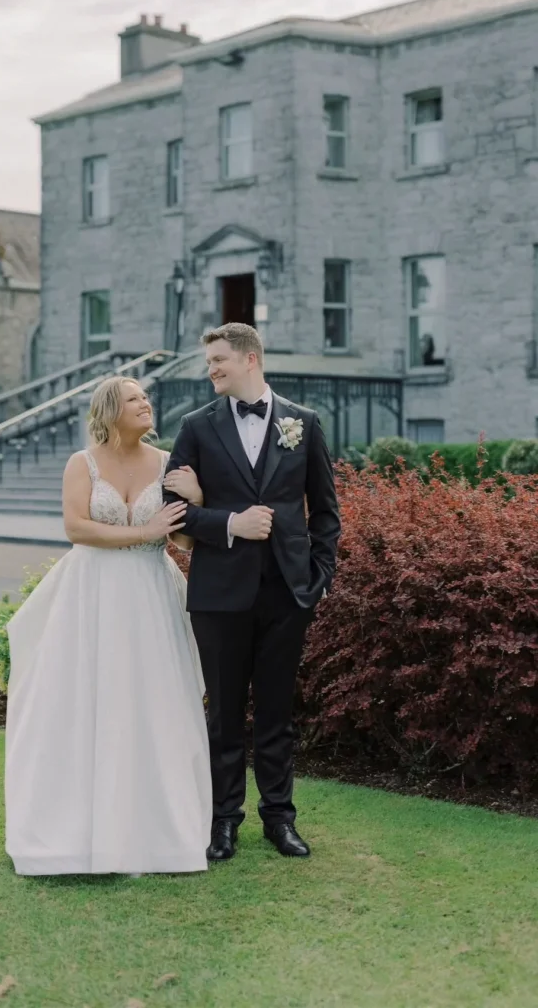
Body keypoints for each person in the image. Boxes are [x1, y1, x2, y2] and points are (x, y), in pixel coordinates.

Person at [4, 376, 212, 876]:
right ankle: (72, 831)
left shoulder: (168, 464)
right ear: (110, 409)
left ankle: (158, 832)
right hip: (90, 593)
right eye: (134, 398)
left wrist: (198, 500)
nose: (145, 404)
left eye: (146, 398)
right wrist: (144, 530)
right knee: (81, 701)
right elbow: (75, 527)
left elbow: (183, 543)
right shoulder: (83, 463)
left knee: (155, 702)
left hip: (150, 593)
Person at [163, 323, 340, 862]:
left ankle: (280, 820)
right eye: (210, 361)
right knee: (223, 715)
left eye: (219, 359)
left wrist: (319, 579)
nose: (211, 369)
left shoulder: (302, 424)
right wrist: (230, 523)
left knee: (277, 714)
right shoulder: (195, 427)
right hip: (219, 594)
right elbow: (172, 513)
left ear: (250, 358)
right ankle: (223, 823)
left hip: (288, 593)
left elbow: (326, 512)